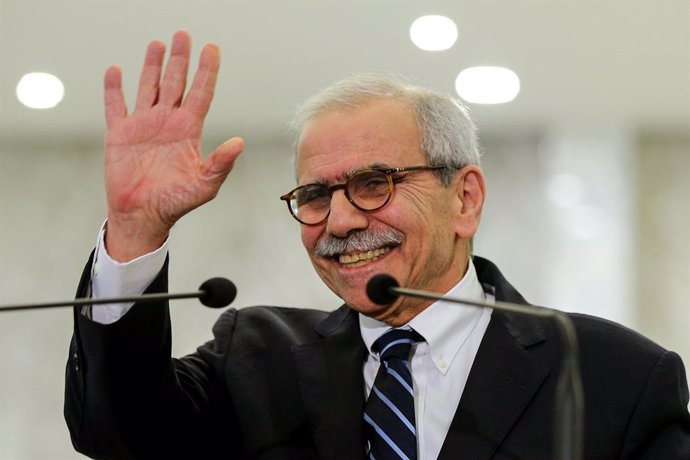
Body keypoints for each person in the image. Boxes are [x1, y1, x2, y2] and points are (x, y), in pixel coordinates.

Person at [64, 30, 690, 459]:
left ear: (464, 198)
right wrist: (136, 229)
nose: (337, 222)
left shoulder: (616, 374)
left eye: (372, 183)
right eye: (314, 194)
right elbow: (120, 431)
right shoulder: (254, 358)